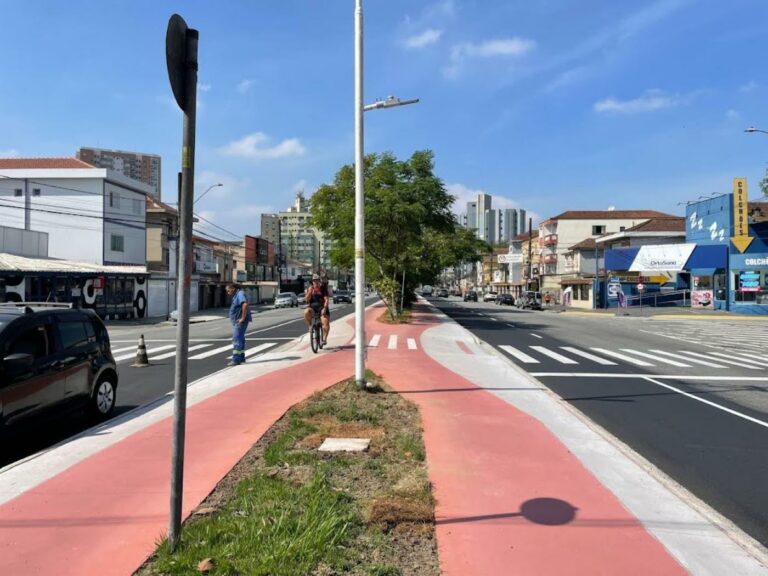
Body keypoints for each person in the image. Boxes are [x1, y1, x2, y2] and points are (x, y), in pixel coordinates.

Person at [226, 283, 251, 366]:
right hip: (238, 321)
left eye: (228, 291)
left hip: (240, 321)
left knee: (236, 339)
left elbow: (244, 305)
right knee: (240, 339)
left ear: (233, 288)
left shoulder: (240, 294)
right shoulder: (238, 294)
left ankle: (236, 359)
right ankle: (241, 357)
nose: (228, 293)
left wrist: (242, 318)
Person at [303, 274, 330, 345]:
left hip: (322, 307)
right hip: (312, 308)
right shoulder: (310, 289)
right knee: (306, 311)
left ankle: (324, 339)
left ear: (319, 281)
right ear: (312, 282)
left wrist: (325, 308)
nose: (316, 283)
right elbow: (306, 299)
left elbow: (326, 299)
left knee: (325, 323)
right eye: (314, 281)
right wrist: (310, 292)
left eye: (317, 281)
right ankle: (310, 326)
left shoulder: (323, 288)